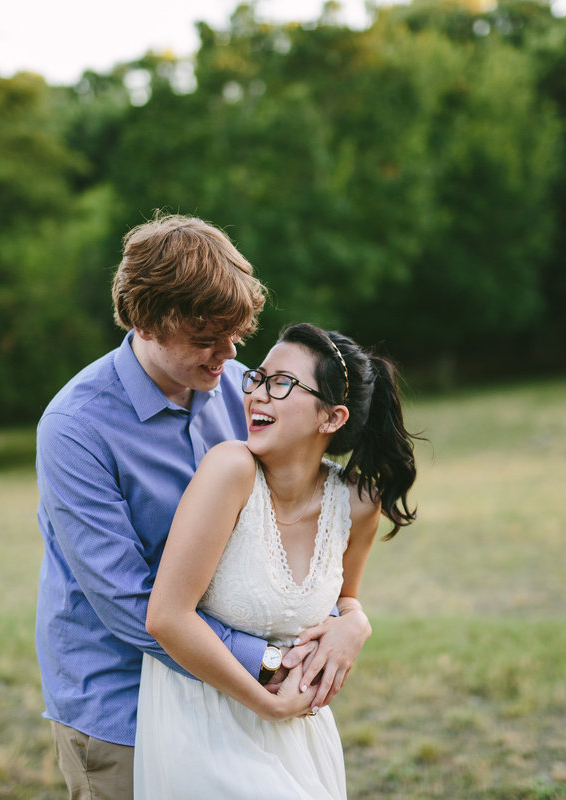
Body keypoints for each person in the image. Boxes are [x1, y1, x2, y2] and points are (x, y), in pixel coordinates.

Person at [34, 215, 372, 800]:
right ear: (144, 322)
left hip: (234, 706)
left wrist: (351, 620)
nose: (228, 357)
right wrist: (270, 663)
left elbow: (303, 519)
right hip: (122, 707)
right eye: (205, 339)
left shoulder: (244, 388)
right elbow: (129, 601)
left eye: (235, 335)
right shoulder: (75, 429)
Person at [136, 322, 418, 799]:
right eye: (258, 378)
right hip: (204, 724)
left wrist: (356, 623)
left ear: (331, 418)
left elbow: (346, 598)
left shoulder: (358, 502)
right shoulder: (230, 470)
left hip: (301, 736)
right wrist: (266, 705)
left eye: (281, 383)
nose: (258, 395)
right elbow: (166, 617)